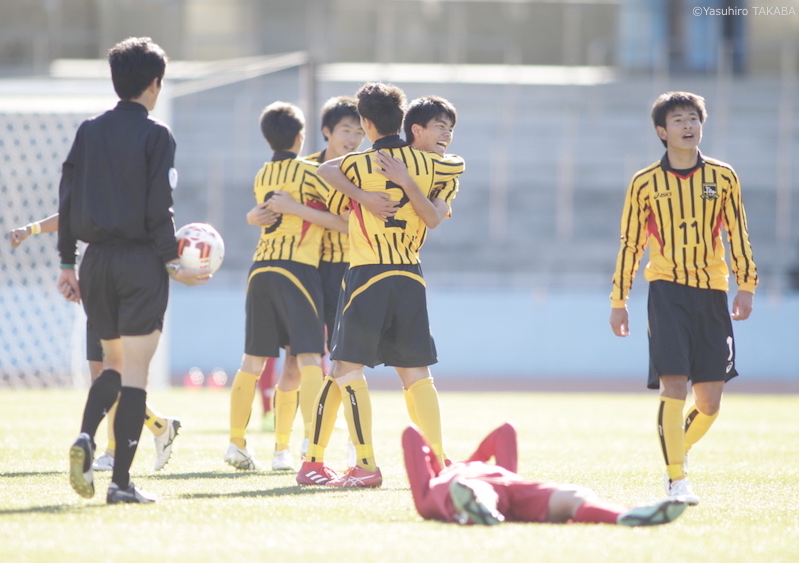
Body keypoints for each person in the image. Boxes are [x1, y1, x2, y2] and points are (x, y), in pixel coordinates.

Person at [59, 37, 209, 504]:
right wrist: (173, 263)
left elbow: (67, 198)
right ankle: (121, 484)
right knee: (135, 374)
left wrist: (68, 262)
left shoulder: (88, 130)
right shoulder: (157, 134)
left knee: (112, 363)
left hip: (96, 261)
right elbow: (158, 208)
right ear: (155, 83)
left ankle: (86, 435)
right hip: (139, 262)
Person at [295, 84, 464, 488]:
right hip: (409, 274)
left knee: (345, 370)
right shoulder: (442, 166)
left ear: (367, 123)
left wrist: (362, 198)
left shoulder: (359, 163)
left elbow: (324, 169)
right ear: (408, 123)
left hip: (367, 273)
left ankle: (359, 463)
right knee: (416, 374)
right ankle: (439, 459)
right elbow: (444, 192)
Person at [609, 92, 758, 505]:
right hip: (667, 291)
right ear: (662, 131)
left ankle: (679, 446)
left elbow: (737, 233)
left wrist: (747, 286)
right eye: (678, 120)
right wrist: (618, 299)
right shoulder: (644, 183)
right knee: (673, 384)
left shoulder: (724, 177)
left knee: (709, 402)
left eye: (693, 118)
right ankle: (676, 479)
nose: (688, 125)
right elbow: (630, 244)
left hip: (712, 292)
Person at [225, 101, 347, 472]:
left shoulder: (262, 175)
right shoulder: (313, 174)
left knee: (253, 362)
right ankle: (311, 445)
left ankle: (239, 444)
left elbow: (262, 213)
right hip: (299, 269)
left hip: (260, 269)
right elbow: (342, 221)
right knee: (311, 359)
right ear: (302, 135)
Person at [10, 215, 182, 473]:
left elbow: (158, 212)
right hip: (98, 282)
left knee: (118, 373)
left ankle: (114, 451)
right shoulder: (94, 185)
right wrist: (31, 228)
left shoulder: (129, 186)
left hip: (127, 281)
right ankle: (160, 427)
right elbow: (71, 212)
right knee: (101, 378)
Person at [402, 424, 687, 527]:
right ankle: (478, 508)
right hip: (463, 488)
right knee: (473, 489)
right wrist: (440, 464)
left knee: (574, 496)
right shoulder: (437, 485)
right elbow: (411, 435)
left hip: (510, 485)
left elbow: (505, 432)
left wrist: (457, 460)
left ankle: (623, 516)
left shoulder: (474, 467)